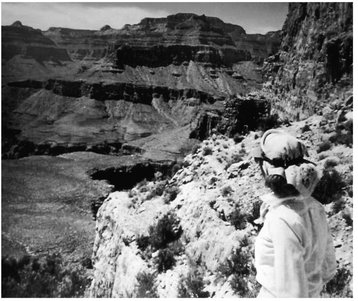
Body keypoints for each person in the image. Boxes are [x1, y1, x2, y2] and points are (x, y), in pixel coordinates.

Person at [253, 129, 336, 298]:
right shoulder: (316, 207)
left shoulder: (282, 219)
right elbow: (328, 270)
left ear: (267, 169)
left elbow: (291, 294)